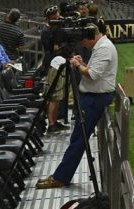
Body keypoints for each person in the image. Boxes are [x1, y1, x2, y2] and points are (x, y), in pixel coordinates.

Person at [37, 24, 119, 189]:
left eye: (83, 40)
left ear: (91, 36)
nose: (82, 44)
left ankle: (61, 177)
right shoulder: (102, 46)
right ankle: (62, 175)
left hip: (95, 98)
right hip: (93, 97)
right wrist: (82, 63)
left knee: (78, 139)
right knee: (77, 138)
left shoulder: (104, 48)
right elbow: (93, 70)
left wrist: (76, 65)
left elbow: (92, 74)